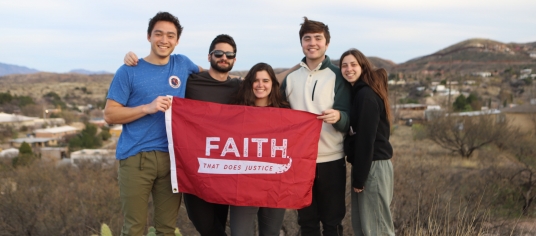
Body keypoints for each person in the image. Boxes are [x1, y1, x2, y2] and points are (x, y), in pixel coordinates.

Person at [124, 34, 241, 236]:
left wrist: (300, 65)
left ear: (234, 59)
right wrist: (135, 62)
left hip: (224, 168)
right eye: (219, 53)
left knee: (217, 225)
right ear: (209, 56)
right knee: (203, 223)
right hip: (194, 167)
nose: (224, 57)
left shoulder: (240, 87)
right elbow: (162, 78)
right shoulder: (192, 81)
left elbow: (267, 84)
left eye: (229, 54)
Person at [104, 12, 200, 236]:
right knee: (134, 229)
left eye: (170, 36)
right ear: (149, 36)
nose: (164, 40)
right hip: (136, 157)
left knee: (166, 229)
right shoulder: (129, 70)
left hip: (173, 160)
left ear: (177, 41)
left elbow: (215, 77)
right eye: (159, 34)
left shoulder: (183, 64)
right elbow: (110, 115)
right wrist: (147, 108)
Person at [280, 17, 351, 236]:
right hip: (299, 161)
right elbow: (278, 117)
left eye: (318, 38)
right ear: (301, 43)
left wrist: (339, 116)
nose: (312, 43)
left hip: (331, 159)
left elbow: (349, 120)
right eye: (307, 38)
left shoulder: (338, 76)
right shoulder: (290, 78)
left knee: (332, 222)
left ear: (327, 43)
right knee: (307, 222)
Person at [339, 48, 394, 236]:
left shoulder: (366, 95)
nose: (348, 69)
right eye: (344, 66)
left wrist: (360, 178)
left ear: (363, 66)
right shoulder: (360, 93)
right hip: (367, 165)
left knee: (377, 229)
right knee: (363, 227)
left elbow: (366, 139)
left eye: (353, 64)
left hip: (373, 166)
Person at [230, 62, 289, 236]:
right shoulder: (236, 111)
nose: (260, 85)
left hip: (275, 185)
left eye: (265, 80)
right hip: (243, 186)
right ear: (249, 83)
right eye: (256, 80)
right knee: (240, 233)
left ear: (273, 84)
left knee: (271, 233)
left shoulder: (286, 112)